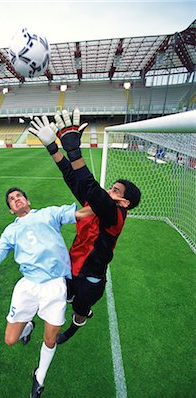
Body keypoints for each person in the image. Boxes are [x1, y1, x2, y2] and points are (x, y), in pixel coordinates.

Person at [0, 186, 92, 398]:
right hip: (27, 287)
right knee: (10, 340)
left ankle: (39, 377)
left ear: (27, 200)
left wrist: (107, 200)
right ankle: (28, 326)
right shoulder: (10, 231)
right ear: (10, 210)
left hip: (55, 286)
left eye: (19, 196)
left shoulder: (49, 213)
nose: (16, 200)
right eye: (11, 200)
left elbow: (82, 213)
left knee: (50, 338)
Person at [29, 110, 141, 344]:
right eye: (111, 188)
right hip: (70, 266)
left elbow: (90, 186)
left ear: (125, 202)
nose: (110, 191)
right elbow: (73, 178)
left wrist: (74, 151)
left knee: (79, 309)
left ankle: (73, 328)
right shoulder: (98, 205)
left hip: (91, 278)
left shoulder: (115, 214)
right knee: (63, 296)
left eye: (115, 190)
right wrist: (52, 148)